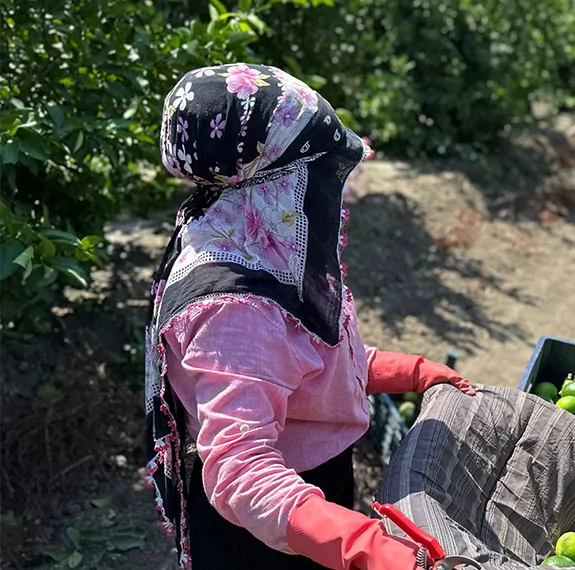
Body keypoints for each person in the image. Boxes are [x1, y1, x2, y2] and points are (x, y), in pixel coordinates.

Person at [145, 63, 474, 570]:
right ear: (276, 181)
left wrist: (404, 372)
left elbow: (301, 361)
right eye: (318, 169)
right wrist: (357, 543)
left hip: (309, 492)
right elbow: (242, 470)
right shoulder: (235, 308)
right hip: (266, 532)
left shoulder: (259, 248)